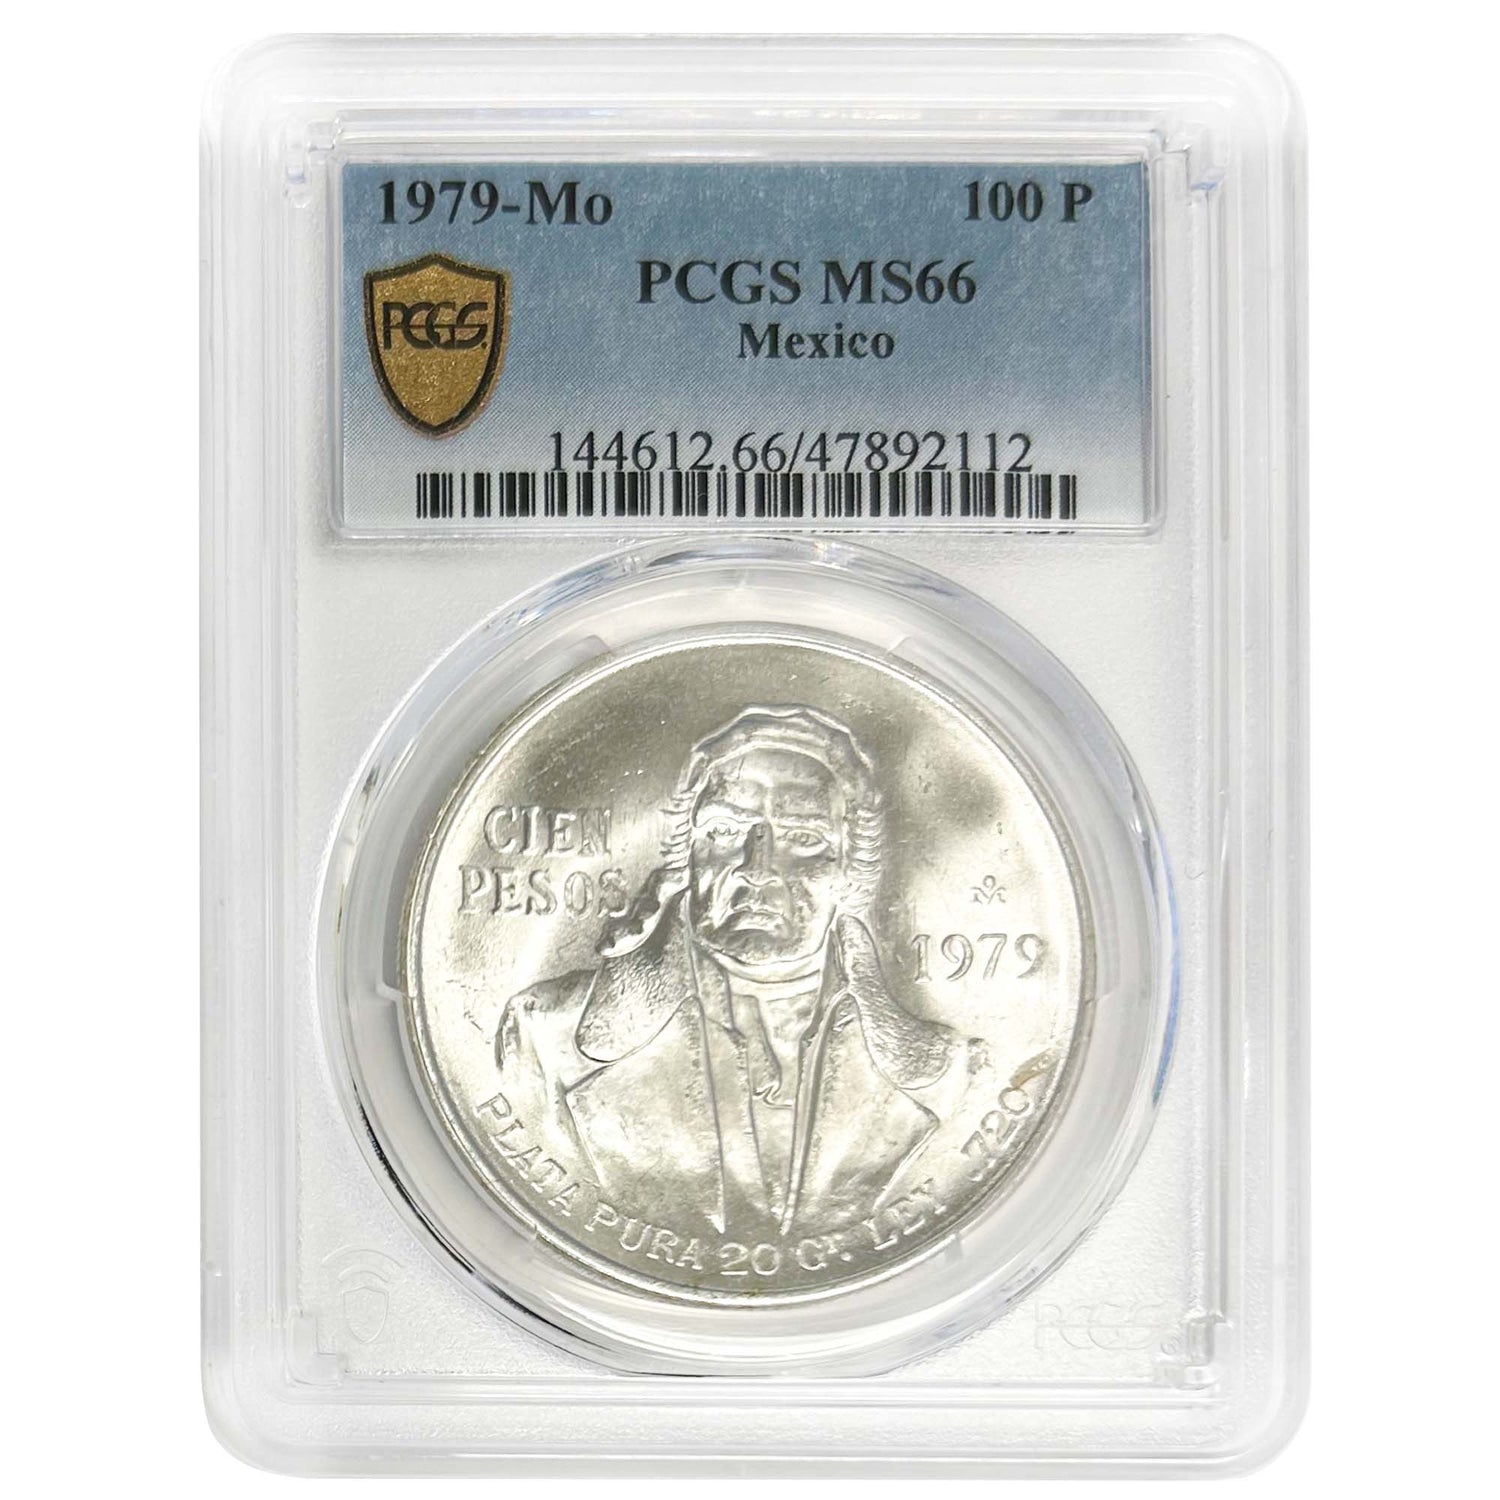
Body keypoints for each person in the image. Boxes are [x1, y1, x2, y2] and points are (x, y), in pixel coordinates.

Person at [494, 705, 983, 1240]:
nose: (757, 869)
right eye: (725, 830)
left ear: (849, 870)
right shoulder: (544, 1034)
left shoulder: (954, 1071)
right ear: (687, 858)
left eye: (803, 837)